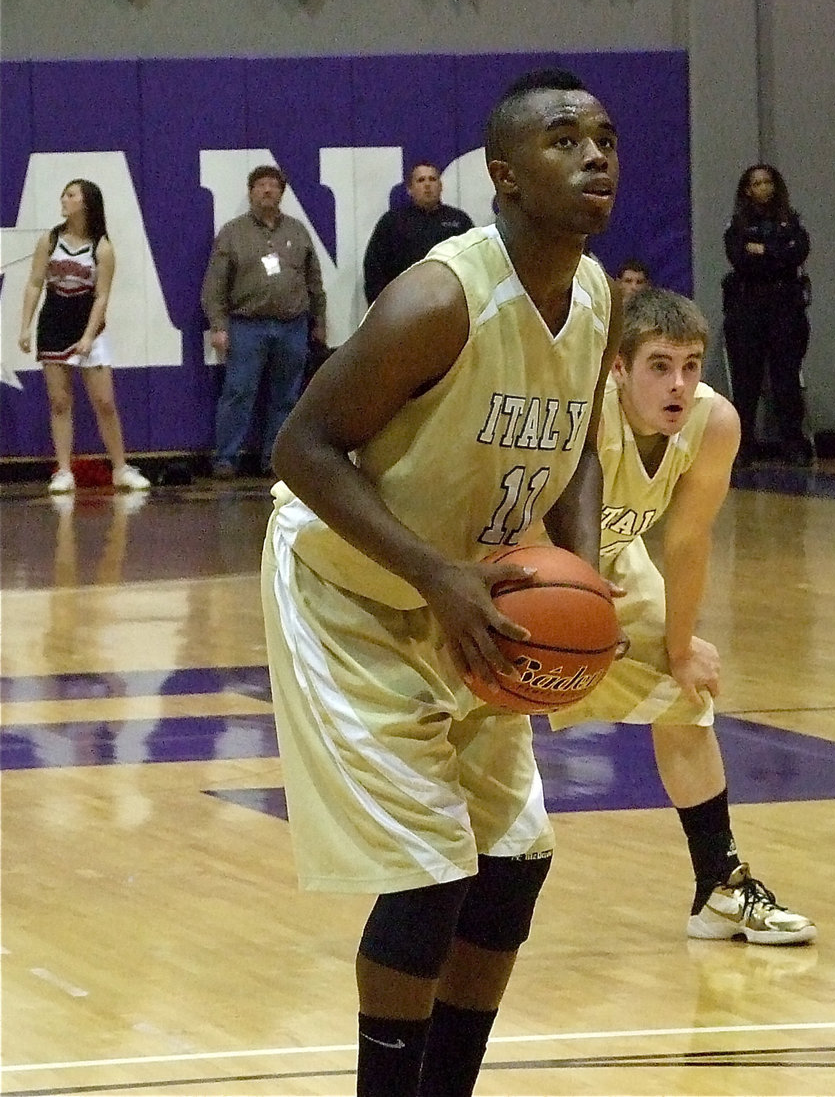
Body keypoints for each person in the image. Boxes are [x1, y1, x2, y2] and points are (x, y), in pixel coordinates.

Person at [259, 67, 621, 1097]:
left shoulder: (596, 295)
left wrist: (585, 576)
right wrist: (434, 575)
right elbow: (301, 448)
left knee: (512, 868)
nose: (595, 155)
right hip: (352, 593)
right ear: (504, 175)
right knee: (430, 878)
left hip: (476, 598)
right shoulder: (439, 298)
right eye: (564, 140)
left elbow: (579, 449)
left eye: (605, 137)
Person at [549, 286, 816, 945]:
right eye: (660, 366)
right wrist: (575, 612)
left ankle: (720, 888)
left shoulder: (714, 423)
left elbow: (688, 541)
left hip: (611, 559)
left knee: (684, 693)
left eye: (691, 365)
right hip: (519, 560)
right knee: (474, 710)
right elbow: (519, 517)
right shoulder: (581, 413)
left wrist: (679, 646)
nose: (678, 384)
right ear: (618, 367)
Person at [17, 179, 150, 494]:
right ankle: (64, 471)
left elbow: (102, 297)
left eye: (70, 194)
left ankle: (120, 468)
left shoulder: (102, 247)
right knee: (59, 401)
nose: (63, 199)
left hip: (90, 327)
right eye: (64, 194)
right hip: (54, 325)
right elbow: (35, 283)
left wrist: (89, 336)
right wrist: (25, 326)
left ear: (86, 203)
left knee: (105, 402)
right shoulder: (50, 240)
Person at [201, 164, 327, 480]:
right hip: (247, 326)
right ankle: (226, 459)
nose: (267, 190)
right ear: (251, 192)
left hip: (292, 325)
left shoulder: (297, 231)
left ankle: (274, 459)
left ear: (282, 193)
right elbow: (215, 285)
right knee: (238, 392)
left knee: (286, 396)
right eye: (260, 185)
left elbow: (313, 279)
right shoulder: (232, 232)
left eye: (273, 185)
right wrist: (218, 326)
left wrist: (319, 321)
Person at [722, 164, 814, 465]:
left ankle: (793, 444)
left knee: (786, 378)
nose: (762, 188)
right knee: (746, 381)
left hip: (785, 307)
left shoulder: (791, 222)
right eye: (756, 183)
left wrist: (764, 250)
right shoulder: (737, 225)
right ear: (747, 190)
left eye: (767, 182)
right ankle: (743, 446)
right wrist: (776, 252)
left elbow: (797, 254)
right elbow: (740, 260)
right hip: (747, 308)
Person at [363, 161, 474, 305]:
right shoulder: (392, 222)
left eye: (432, 179)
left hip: (450, 304)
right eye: (421, 180)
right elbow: (374, 269)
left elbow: (474, 263)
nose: (427, 185)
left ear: (440, 186)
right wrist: (381, 308)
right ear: (410, 189)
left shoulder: (459, 220)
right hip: (405, 306)